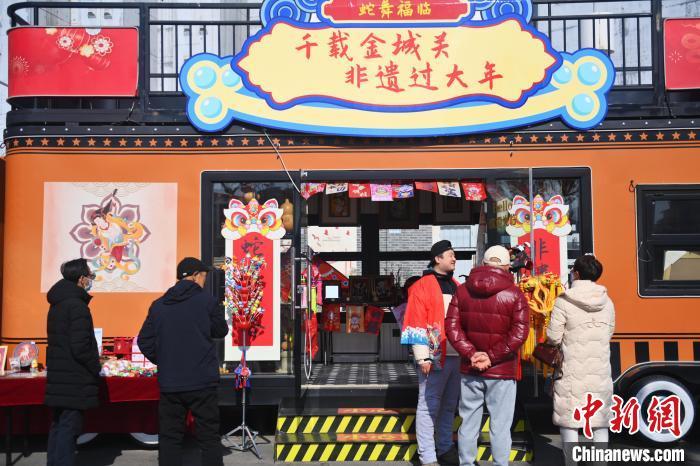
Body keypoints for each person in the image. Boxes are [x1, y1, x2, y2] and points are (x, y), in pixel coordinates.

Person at [138, 257, 229, 466]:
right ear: (195, 276)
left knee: (170, 437)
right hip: (202, 381)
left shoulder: (158, 305)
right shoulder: (207, 301)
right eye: (204, 277)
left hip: (171, 382)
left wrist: (163, 360)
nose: (204, 281)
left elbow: (144, 341)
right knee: (208, 435)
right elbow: (220, 330)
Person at [445, 245, 530, 466]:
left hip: (470, 368)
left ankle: (466, 463)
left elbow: (452, 327)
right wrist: (491, 357)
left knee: (468, 423)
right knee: (500, 426)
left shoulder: (462, 291)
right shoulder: (515, 294)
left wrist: (472, 354)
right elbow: (519, 333)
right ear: (507, 266)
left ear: (483, 263)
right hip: (502, 371)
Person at [546, 255, 615, 465]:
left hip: (571, 369)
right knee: (599, 419)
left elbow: (553, 337)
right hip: (600, 368)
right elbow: (609, 332)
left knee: (569, 419)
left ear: (576, 273)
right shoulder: (607, 302)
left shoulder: (564, 301)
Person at [401, 240, 461, 466]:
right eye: (450, 255)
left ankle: (445, 447)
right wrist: (422, 356)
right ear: (437, 258)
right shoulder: (421, 286)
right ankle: (427, 456)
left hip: (457, 356)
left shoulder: (456, 285)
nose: (454, 258)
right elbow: (415, 321)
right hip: (434, 356)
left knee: (449, 406)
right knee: (428, 407)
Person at [45, 258, 101, 466]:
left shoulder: (57, 303)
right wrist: (96, 366)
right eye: (89, 276)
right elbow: (81, 347)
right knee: (69, 428)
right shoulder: (77, 306)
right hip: (74, 378)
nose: (90, 280)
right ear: (80, 279)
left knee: (58, 424)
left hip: (59, 377)